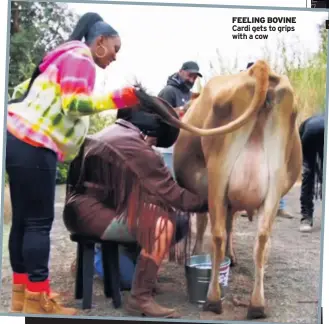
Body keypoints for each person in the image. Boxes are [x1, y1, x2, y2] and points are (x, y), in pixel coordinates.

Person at [6, 12, 163, 316]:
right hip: (36, 145)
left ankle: (23, 295)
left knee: (24, 223)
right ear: (100, 42)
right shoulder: (81, 57)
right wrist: (122, 97)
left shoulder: (59, 57)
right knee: (38, 224)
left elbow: (18, 93)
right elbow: (74, 104)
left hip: (16, 139)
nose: (115, 57)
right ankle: (39, 300)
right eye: (115, 49)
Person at [63, 98, 208, 318]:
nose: (153, 145)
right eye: (155, 140)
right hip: (91, 215)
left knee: (168, 218)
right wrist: (212, 202)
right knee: (161, 225)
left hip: (83, 211)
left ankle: (141, 275)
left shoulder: (113, 132)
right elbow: (174, 196)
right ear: (150, 131)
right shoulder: (135, 147)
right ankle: (140, 298)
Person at [240, 62, 293, 219]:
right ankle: (244, 206)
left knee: (274, 170)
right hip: (248, 139)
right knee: (247, 172)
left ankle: (279, 206)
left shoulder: (270, 89)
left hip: (267, 138)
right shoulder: (242, 89)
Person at [157, 61, 203, 175]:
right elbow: (160, 118)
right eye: (190, 75)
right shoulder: (168, 91)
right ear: (181, 72)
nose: (192, 80)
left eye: (195, 77)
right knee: (169, 182)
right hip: (167, 150)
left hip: (184, 149)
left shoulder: (190, 94)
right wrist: (183, 110)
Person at [299, 113, 324, 232]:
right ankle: (306, 217)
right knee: (310, 174)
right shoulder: (313, 127)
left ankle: (306, 218)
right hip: (309, 135)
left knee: (309, 174)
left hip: (309, 132)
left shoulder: (313, 121)